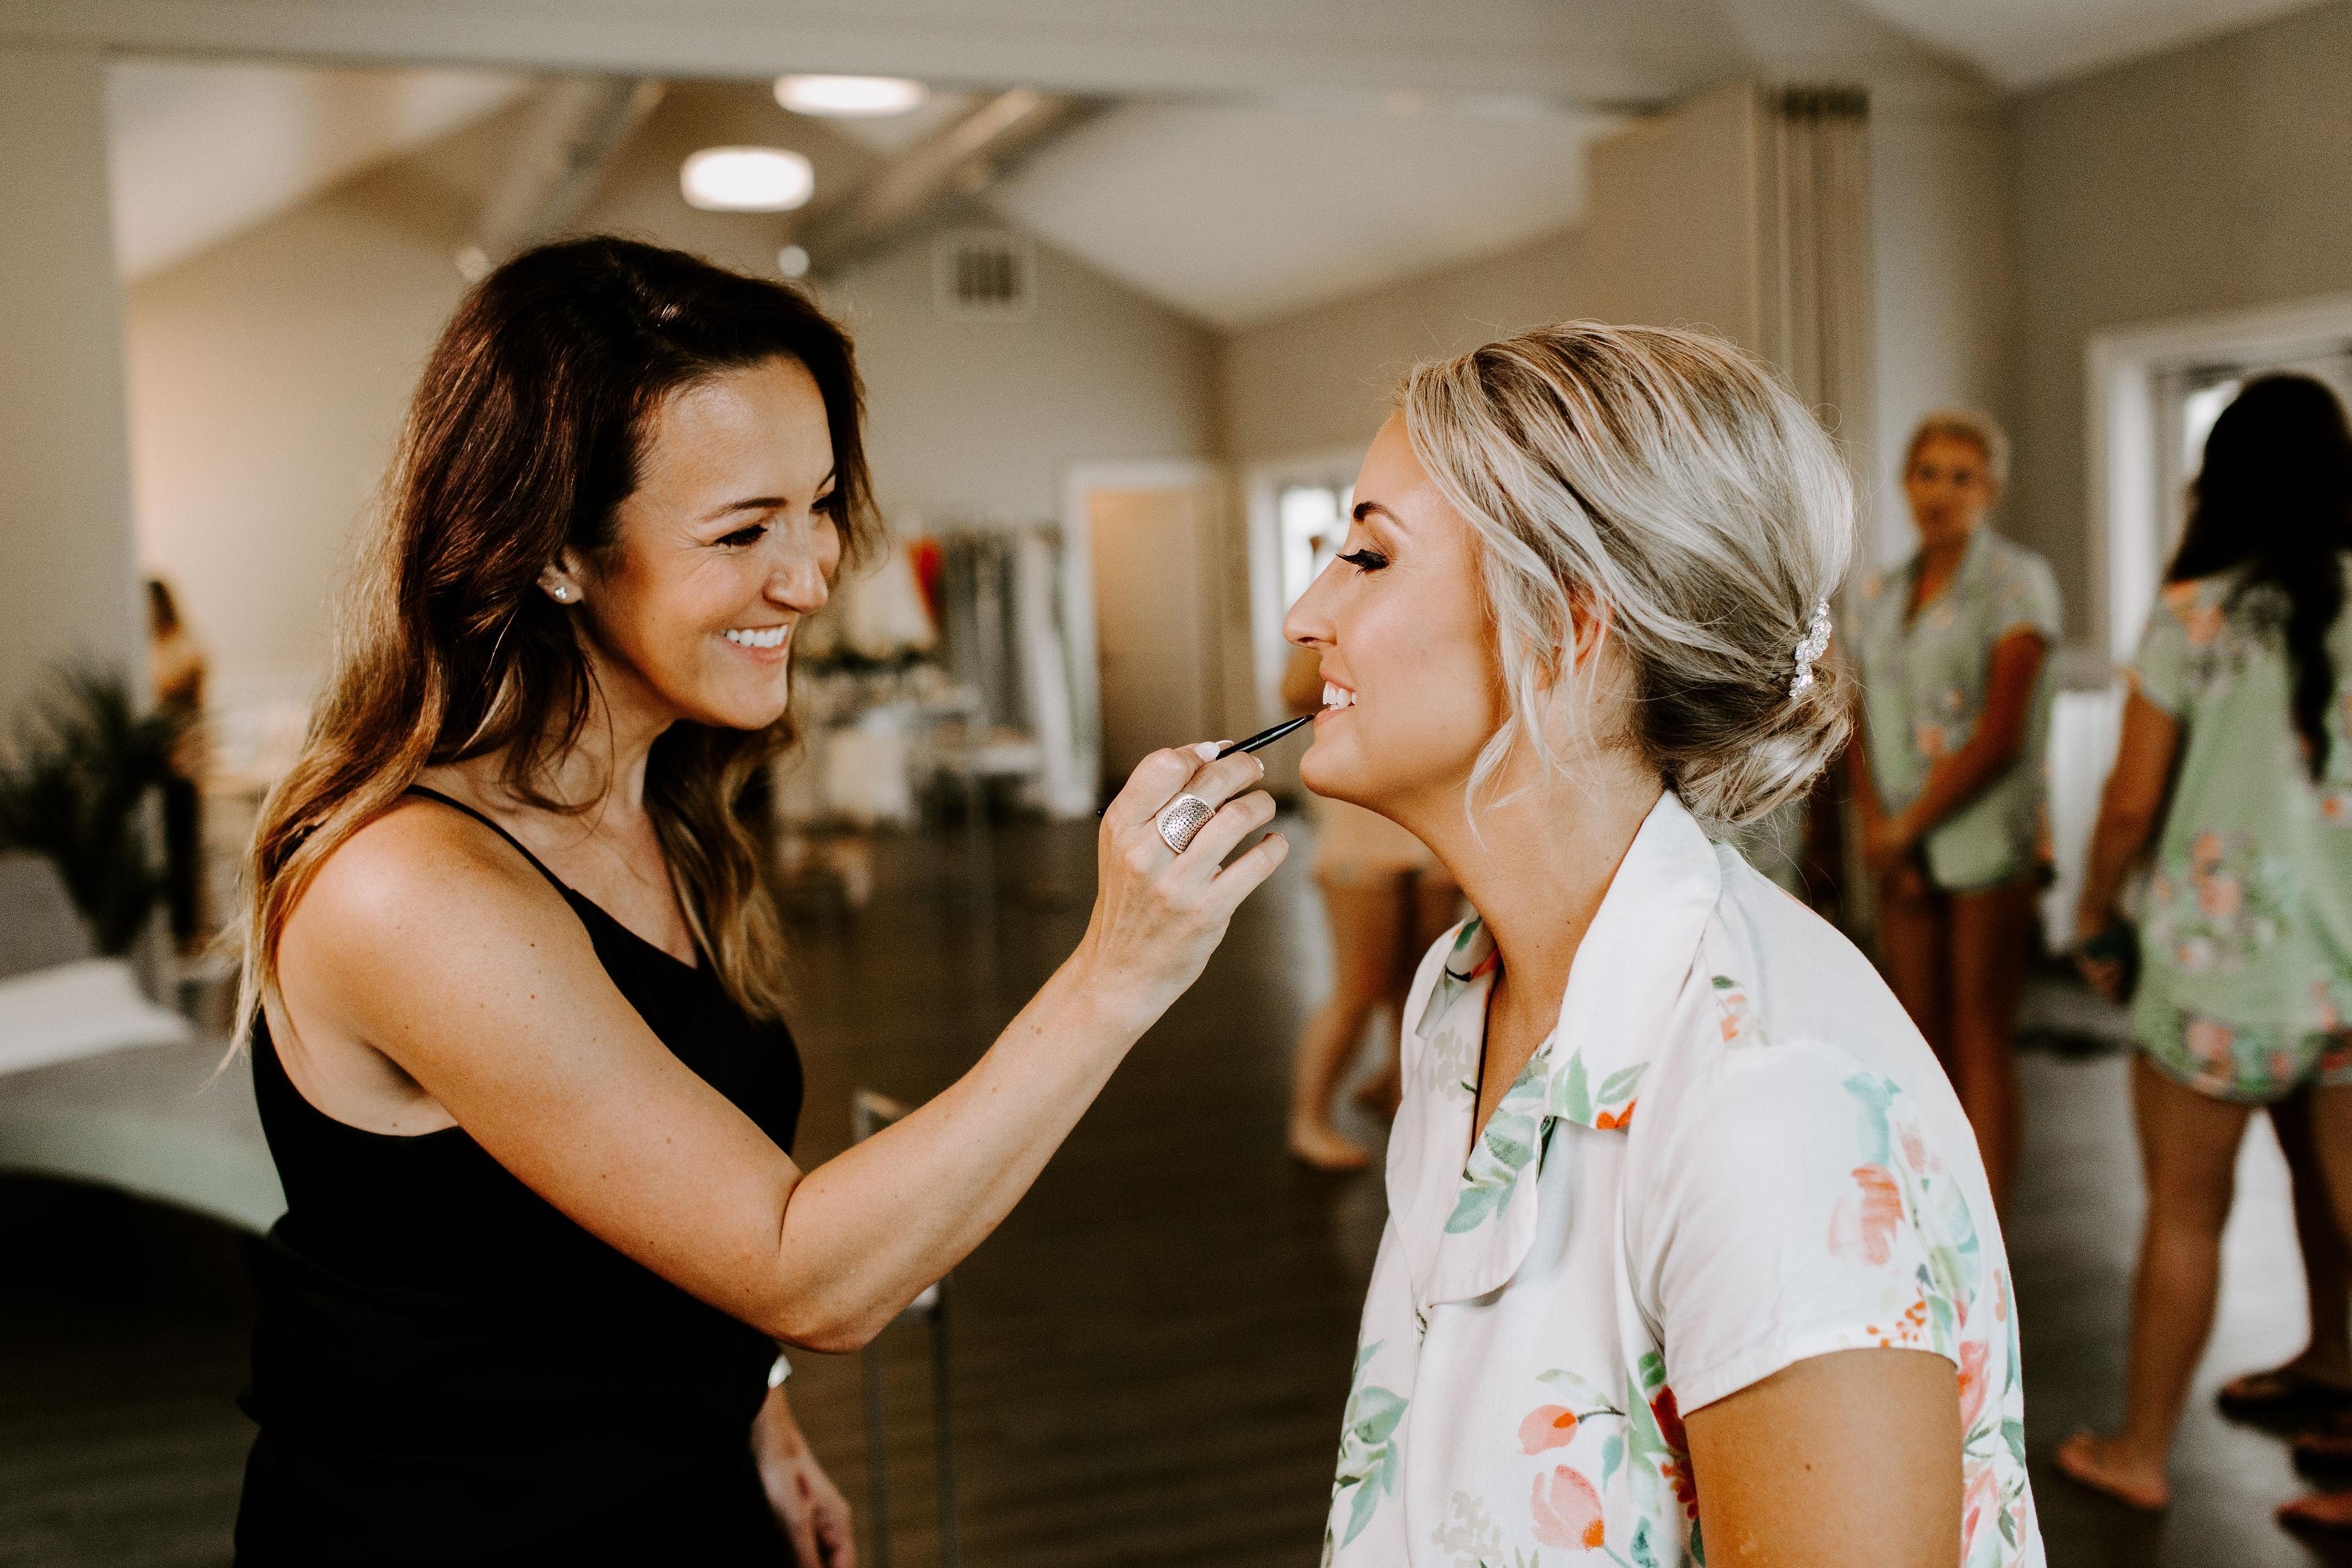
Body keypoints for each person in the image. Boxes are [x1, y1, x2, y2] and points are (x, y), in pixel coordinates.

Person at [228, 237, 1287, 1565]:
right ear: (556, 553)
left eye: (820, 505)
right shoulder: (412, 889)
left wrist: (759, 1413)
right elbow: (805, 1273)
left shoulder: (656, 806)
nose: (812, 575)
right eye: (742, 532)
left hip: (671, 1487)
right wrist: (1118, 971)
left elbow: (650, 1199)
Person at [1294, 323, 2039, 1566]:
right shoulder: (1459, 994)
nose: (1305, 612)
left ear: (1564, 627)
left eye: (1368, 556)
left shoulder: (1769, 1106)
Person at [2056, 374, 2352, 1522]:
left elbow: (2130, 800)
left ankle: (2138, 1452)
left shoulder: (2192, 614)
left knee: (2187, 1213)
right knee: (2340, 1199)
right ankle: (2333, 1362)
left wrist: (2095, 911)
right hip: (2345, 967)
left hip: (2219, 975)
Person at [1849, 411, 2059, 1213]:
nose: (1941, 492)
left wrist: (1910, 826)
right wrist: (1878, 827)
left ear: (1991, 489)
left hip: (1981, 836)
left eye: (1961, 477)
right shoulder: (1880, 593)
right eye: (1927, 473)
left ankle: (1989, 1227)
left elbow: (2002, 732)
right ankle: (1931, 1213)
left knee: (1979, 1034)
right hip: (1897, 838)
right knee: (1917, 1034)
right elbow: (1860, 714)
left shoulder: (2016, 584)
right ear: (1905, 483)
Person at [1279, 642, 1460, 1169]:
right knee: (1359, 989)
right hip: (1363, 839)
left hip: (1434, 834)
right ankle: (1308, 1121)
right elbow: (1295, 692)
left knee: (1419, 983)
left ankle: (1397, 1088)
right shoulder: (1347, 633)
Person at [148, 576, 208, 951]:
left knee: (184, 848)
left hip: (183, 763)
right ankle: (177, 934)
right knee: (166, 850)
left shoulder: (182, 649)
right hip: (159, 767)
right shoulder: (150, 648)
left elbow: (186, 704)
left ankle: (188, 936)